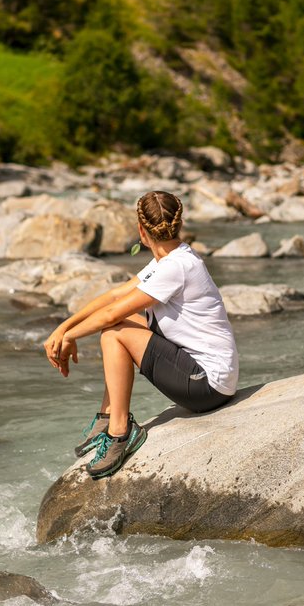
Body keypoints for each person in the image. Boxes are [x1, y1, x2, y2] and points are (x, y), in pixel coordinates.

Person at [43, 190, 239, 479]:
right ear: (179, 223)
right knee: (116, 328)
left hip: (207, 385)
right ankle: (108, 418)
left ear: (141, 230)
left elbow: (112, 314)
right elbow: (114, 296)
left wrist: (69, 337)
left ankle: (120, 432)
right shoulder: (170, 259)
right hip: (205, 375)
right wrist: (63, 329)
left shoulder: (177, 266)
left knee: (114, 333)